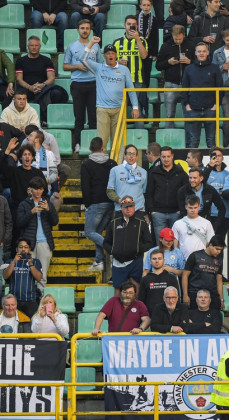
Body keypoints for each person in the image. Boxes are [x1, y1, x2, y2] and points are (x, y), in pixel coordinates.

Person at [82, 39, 140, 146]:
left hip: (119, 109)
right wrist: (91, 43)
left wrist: (135, 108)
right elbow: (83, 59)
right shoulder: (99, 68)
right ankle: (102, 162)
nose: (110, 55)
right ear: (104, 56)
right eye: (108, 53)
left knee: (118, 141)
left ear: (116, 55)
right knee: (102, 142)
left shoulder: (124, 69)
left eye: (113, 53)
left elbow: (131, 89)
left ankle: (116, 162)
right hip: (102, 109)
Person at [63, 20, 101, 153]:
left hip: (93, 84)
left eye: (87, 28)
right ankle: (78, 143)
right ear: (78, 30)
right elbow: (64, 66)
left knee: (93, 117)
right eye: (82, 28)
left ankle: (92, 146)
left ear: (90, 30)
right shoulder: (72, 46)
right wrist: (77, 66)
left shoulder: (96, 46)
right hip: (78, 84)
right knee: (79, 117)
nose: (85, 30)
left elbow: (101, 65)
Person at [103, 196, 153, 294]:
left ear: (134, 207)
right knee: (118, 288)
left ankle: (136, 308)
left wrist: (137, 249)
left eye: (130, 206)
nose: (128, 209)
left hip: (135, 260)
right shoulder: (113, 223)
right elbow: (106, 242)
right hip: (118, 261)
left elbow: (149, 243)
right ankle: (118, 309)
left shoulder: (141, 223)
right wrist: (113, 251)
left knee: (136, 285)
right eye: (125, 206)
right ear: (121, 207)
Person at [15, 36, 68, 128]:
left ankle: (48, 118)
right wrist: (30, 87)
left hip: (43, 89)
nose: (34, 47)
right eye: (32, 45)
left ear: (40, 47)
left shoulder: (46, 60)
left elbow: (51, 78)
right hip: (26, 89)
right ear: (28, 46)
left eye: (36, 45)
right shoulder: (21, 61)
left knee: (57, 93)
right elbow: (19, 79)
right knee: (16, 95)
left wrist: (42, 85)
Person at [81, 138, 117, 272]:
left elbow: (85, 186)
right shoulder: (112, 163)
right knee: (97, 233)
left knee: (89, 232)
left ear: (90, 149)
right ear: (103, 148)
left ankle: (112, 249)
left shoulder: (86, 164)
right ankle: (99, 260)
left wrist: (87, 204)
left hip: (95, 203)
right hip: (110, 202)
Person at [16, 177, 58, 284]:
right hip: (28, 245)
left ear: (43, 190)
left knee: (42, 277)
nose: (38, 191)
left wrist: (48, 210)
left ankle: (40, 300)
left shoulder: (47, 203)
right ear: (30, 189)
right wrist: (31, 212)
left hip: (44, 243)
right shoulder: (24, 204)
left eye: (40, 189)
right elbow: (19, 223)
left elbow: (55, 222)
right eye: (35, 188)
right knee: (26, 275)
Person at [182, 43, 223, 148]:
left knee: (211, 141)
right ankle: (192, 164)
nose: (201, 53)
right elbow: (184, 88)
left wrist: (216, 105)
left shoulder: (214, 68)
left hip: (210, 109)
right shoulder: (189, 69)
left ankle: (213, 164)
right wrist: (187, 105)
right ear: (195, 53)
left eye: (204, 51)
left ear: (208, 52)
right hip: (193, 109)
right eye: (199, 51)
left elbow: (220, 88)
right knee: (193, 141)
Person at [156, 25, 196, 129]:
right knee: (169, 115)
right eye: (176, 39)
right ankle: (169, 138)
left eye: (180, 39)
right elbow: (158, 66)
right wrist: (168, 62)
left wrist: (189, 62)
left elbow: (198, 65)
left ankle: (189, 139)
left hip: (187, 84)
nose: (178, 41)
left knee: (188, 114)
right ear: (172, 35)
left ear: (184, 35)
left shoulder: (191, 45)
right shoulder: (165, 46)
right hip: (170, 83)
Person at [112, 15, 149, 126]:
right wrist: (118, 62)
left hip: (137, 81)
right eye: (129, 24)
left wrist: (137, 38)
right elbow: (111, 63)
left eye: (133, 24)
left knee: (137, 110)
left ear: (137, 26)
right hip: (120, 81)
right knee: (120, 111)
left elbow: (144, 56)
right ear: (124, 26)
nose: (131, 26)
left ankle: (139, 138)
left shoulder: (142, 40)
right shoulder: (117, 42)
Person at [147, 146, 189, 238]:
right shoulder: (154, 172)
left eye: (168, 156)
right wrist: (152, 211)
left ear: (172, 156)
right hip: (158, 213)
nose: (166, 159)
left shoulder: (181, 173)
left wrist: (180, 210)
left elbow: (187, 193)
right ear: (160, 157)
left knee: (175, 242)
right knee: (160, 243)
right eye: (163, 157)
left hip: (176, 213)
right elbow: (149, 193)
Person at [182, 236, 226, 310]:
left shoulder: (219, 260)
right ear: (210, 245)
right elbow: (185, 275)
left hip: (212, 294)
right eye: (217, 249)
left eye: (221, 250)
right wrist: (185, 295)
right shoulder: (195, 256)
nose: (219, 252)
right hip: (194, 293)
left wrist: (221, 299)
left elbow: (219, 280)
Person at [178, 167, 227, 233]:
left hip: (205, 221)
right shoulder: (183, 190)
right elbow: (182, 210)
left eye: (195, 178)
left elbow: (222, 208)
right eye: (190, 178)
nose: (192, 180)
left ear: (201, 178)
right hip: (188, 223)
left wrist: (215, 226)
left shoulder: (210, 190)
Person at [1, 141, 45, 211]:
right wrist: (8, 150)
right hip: (18, 208)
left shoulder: (38, 172)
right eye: (24, 154)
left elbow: (45, 190)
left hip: (36, 207)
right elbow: (2, 166)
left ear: (32, 157)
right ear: (21, 157)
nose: (27, 156)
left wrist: (35, 193)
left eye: (29, 154)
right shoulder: (14, 172)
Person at [2, 239, 43, 316]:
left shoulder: (36, 262)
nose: (23, 249)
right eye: (20, 247)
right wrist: (14, 262)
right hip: (13, 302)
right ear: (17, 249)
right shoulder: (9, 261)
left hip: (30, 301)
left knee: (30, 326)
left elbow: (39, 278)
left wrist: (31, 264)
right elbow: (5, 275)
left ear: (29, 249)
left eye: (26, 247)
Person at [172, 195, 216, 260]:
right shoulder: (177, 224)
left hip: (201, 261)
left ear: (199, 207)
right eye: (190, 208)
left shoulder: (207, 223)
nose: (193, 210)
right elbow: (175, 245)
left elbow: (210, 244)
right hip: (183, 260)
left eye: (195, 207)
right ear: (186, 207)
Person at [138, 249, 181, 315]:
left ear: (164, 261)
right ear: (150, 261)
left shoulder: (172, 278)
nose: (157, 261)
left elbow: (177, 300)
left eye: (159, 259)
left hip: (169, 316)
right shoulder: (145, 279)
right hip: (151, 317)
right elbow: (141, 301)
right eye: (154, 259)